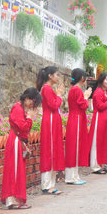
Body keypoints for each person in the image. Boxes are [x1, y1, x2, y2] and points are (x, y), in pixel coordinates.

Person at [2, 87, 41, 209]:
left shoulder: (20, 108)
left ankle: (15, 199)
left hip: (17, 141)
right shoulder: (17, 109)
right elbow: (23, 127)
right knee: (15, 169)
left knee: (17, 169)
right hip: (15, 141)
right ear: (27, 99)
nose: (32, 106)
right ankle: (14, 199)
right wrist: (29, 118)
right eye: (33, 103)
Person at [36, 66, 65, 196]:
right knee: (50, 151)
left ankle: (51, 184)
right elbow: (53, 105)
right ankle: (46, 185)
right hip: (50, 121)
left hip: (53, 121)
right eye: (57, 75)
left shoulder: (48, 89)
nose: (58, 77)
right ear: (50, 76)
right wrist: (59, 96)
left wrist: (58, 96)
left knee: (54, 151)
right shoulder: (47, 89)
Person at [64, 69, 91, 185]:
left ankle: (74, 175)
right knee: (74, 147)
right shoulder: (77, 90)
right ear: (82, 78)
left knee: (75, 147)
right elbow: (83, 105)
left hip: (75, 118)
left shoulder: (73, 89)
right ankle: (71, 177)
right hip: (77, 119)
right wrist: (86, 97)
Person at [89, 72, 107, 174]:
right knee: (98, 141)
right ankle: (95, 165)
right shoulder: (98, 92)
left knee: (105, 141)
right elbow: (100, 106)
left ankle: (102, 163)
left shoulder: (105, 92)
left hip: (105, 118)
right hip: (99, 118)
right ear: (102, 80)